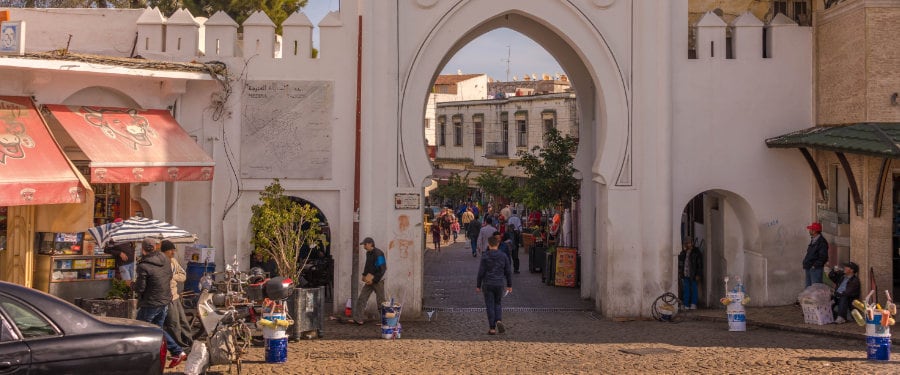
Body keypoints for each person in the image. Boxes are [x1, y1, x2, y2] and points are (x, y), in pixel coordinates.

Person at [133, 237, 186, 368]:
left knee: (139, 328)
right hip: (165, 302)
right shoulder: (166, 261)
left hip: (151, 303)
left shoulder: (143, 265)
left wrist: (131, 284)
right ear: (155, 247)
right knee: (158, 330)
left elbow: (140, 288)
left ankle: (139, 357)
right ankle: (173, 352)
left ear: (143, 250)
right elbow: (168, 277)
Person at [476, 236, 512, 335]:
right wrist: (509, 285)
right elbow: (508, 271)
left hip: (488, 283)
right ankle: (498, 320)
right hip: (499, 283)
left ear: (489, 244)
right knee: (498, 303)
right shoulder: (503, 256)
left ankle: (492, 328)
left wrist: (478, 285)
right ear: (498, 244)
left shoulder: (485, 256)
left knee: (489, 305)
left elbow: (481, 272)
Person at [161, 240, 192, 349]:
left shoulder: (173, 261)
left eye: (174, 250)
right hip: (167, 297)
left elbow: (183, 276)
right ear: (164, 251)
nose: (173, 252)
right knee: (174, 324)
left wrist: (173, 277)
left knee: (183, 322)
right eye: (171, 250)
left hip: (175, 296)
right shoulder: (160, 262)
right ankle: (180, 347)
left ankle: (189, 344)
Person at [350, 237, 387, 325]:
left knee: (381, 301)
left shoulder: (379, 253)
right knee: (362, 297)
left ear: (371, 244)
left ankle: (385, 321)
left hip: (378, 281)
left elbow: (382, 269)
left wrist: (374, 280)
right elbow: (368, 265)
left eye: (365, 244)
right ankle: (358, 319)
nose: (364, 247)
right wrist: (364, 274)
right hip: (370, 279)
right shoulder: (368, 253)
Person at [103, 218, 135, 285]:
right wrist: (119, 253)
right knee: (127, 283)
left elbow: (131, 246)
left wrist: (134, 253)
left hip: (132, 261)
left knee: (134, 281)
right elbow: (106, 249)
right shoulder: (112, 237)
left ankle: (132, 295)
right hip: (123, 264)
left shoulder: (127, 234)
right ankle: (129, 294)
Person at [677, 237, 702, 310]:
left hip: (693, 274)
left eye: (689, 243)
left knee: (694, 288)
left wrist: (698, 274)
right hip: (685, 273)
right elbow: (681, 263)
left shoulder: (696, 252)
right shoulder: (683, 252)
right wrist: (680, 273)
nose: (688, 244)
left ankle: (693, 304)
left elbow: (699, 264)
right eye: (686, 243)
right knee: (686, 289)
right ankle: (686, 304)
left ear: (692, 243)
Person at [802, 222, 829, 287]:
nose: (809, 230)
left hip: (815, 269)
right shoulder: (814, 240)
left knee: (815, 289)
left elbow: (823, 257)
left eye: (811, 229)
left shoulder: (822, 242)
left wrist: (814, 266)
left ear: (815, 231)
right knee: (808, 288)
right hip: (809, 267)